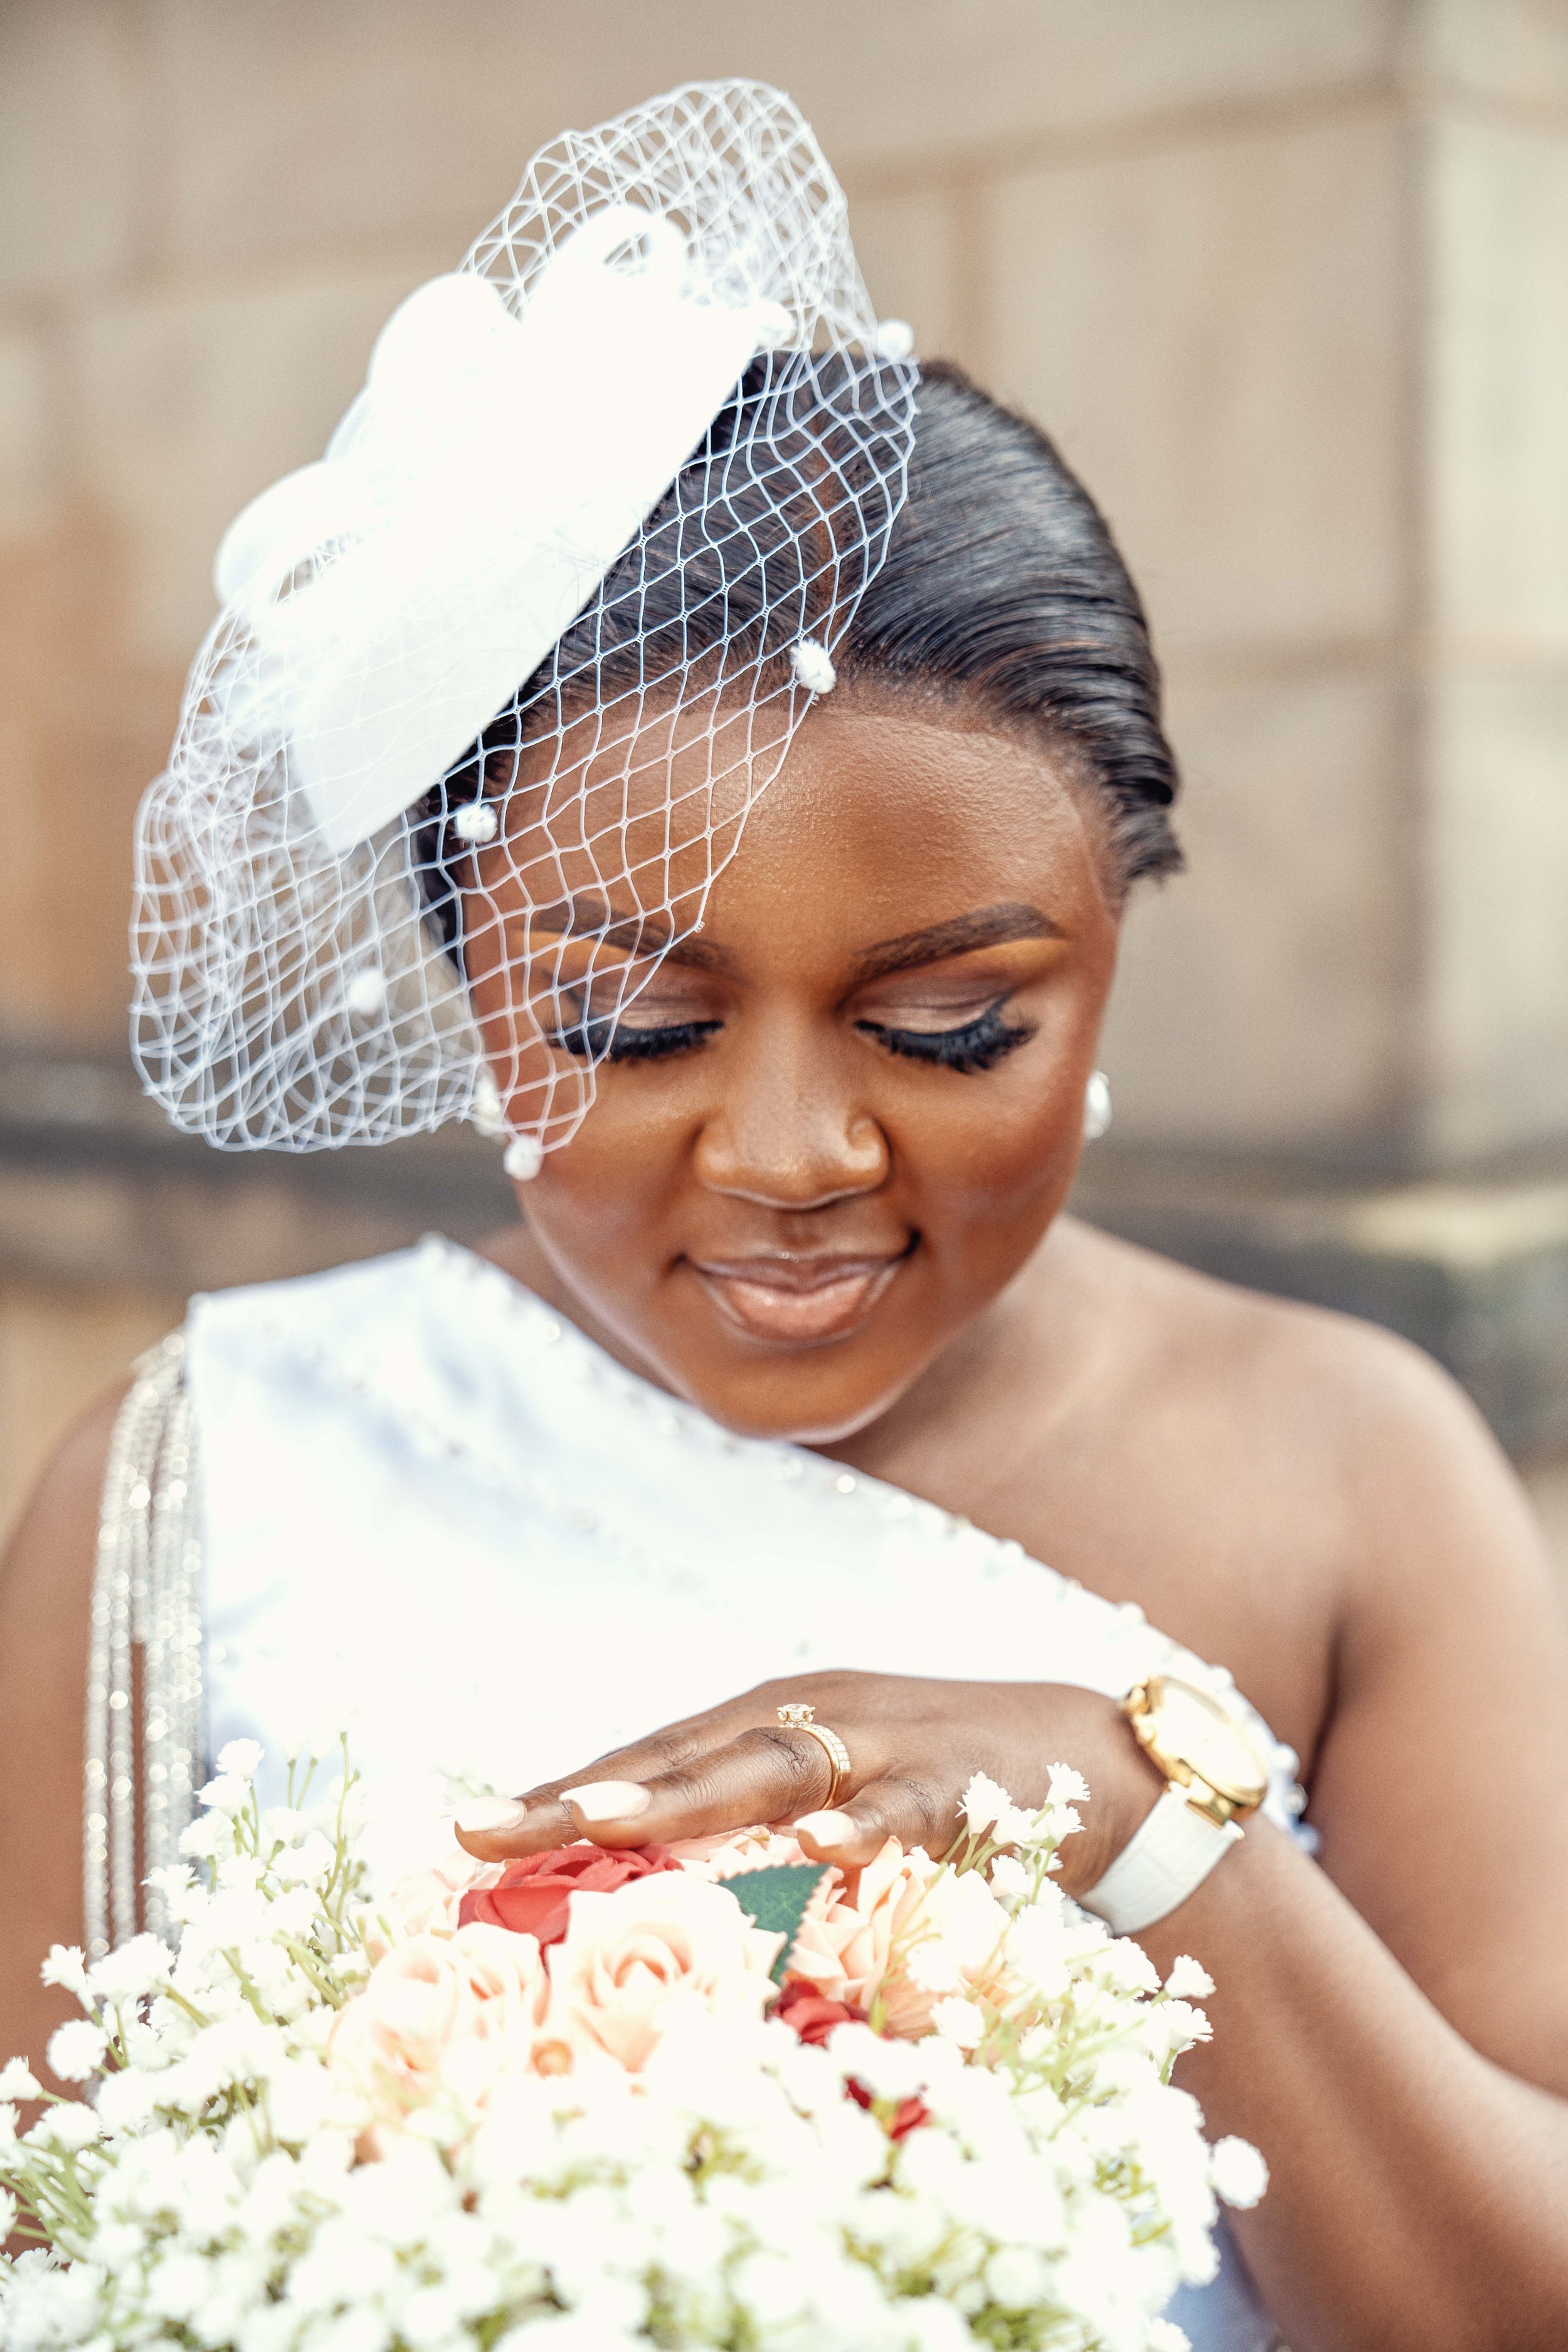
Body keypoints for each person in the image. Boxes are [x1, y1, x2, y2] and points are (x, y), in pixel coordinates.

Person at [3, 78, 1568, 2352]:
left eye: (947, 1029)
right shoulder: (198, 1481)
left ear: (1109, 944)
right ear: (462, 974)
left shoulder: (1350, 1470)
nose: (788, 1155)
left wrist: (1138, 1830)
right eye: (631, 1027)